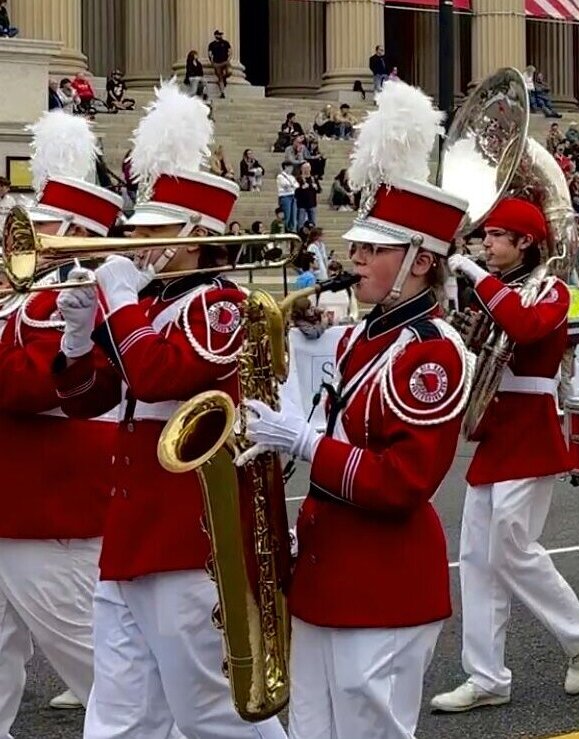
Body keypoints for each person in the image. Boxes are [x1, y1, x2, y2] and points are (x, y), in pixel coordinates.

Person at [51, 81, 287, 738]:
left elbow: (158, 377)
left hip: (187, 538)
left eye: (150, 230)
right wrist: (77, 340)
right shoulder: (152, 307)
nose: (132, 243)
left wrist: (120, 304)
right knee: (120, 716)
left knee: (209, 711)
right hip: (132, 536)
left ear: (193, 236)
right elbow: (89, 399)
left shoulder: (217, 306)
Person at [241, 79, 472, 737]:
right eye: (359, 244)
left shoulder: (431, 353)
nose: (356, 256)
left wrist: (306, 444)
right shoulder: (361, 335)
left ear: (421, 262)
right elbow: (337, 430)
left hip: (384, 584)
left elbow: (402, 482)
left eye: (374, 248)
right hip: (328, 570)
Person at [432, 197, 579, 712]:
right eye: (485, 237)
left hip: (530, 426)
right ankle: (486, 675)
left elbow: (527, 327)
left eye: (496, 236)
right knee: (476, 559)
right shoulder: (501, 289)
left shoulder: (554, 289)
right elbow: (485, 342)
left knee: (509, 543)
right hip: (495, 425)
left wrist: (472, 274)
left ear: (525, 243)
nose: (485, 244)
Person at [0, 110, 123, 733]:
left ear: (75, 230)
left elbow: (30, 383)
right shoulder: (24, 294)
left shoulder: (77, 291)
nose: (23, 234)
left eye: (41, 223)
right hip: (15, 501)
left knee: (99, 663)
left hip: (48, 505)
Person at [207, 29, 232, 98]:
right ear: (215, 35)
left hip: (225, 62)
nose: (220, 35)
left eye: (221, 34)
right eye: (219, 34)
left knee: (229, 72)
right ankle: (222, 92)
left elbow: (230, 51)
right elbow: (210, 54)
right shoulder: (212, 44)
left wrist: (228, 59)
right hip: (217, 63)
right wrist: (212, 63)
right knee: (220, 78)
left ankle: (224, 78)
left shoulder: (226, 42)